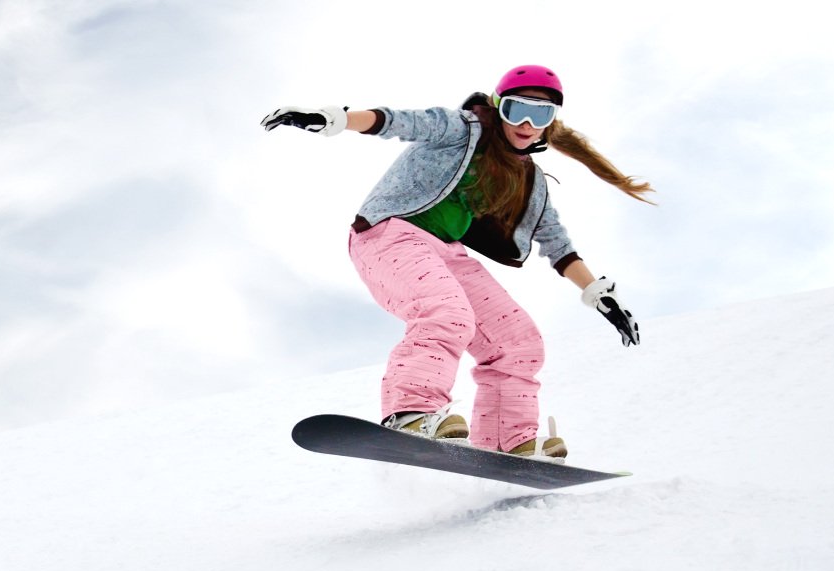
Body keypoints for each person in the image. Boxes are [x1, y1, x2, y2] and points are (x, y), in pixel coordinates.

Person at [261, 64, 652, 458]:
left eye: (542, 115)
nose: (528, 124)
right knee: (447, 313)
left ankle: (508, 440)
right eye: (518, 111)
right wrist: (336, 119)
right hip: (390, 235)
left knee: (518, 341)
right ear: (499, 108)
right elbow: (400, 122)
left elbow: (558, 244)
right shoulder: (462, 129)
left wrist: (602, 296)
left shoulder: (529, 183)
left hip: (448, 253)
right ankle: (410, 410)